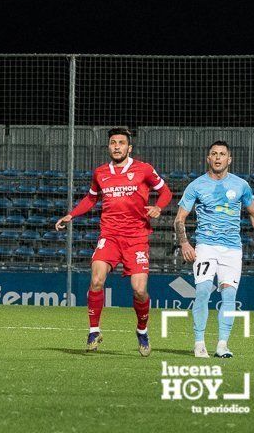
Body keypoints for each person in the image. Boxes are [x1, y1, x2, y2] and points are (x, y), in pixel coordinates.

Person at [55, 127, 172, 356]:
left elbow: (166, 192)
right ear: (108, 147)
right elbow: (91, 198)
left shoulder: (144, 169)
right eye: (112, 142)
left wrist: (159, 207)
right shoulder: (100, 173)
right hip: (109, 235)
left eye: (121, 142)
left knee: (139, 291)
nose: (116, 146)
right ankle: (94, 331)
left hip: (137, 238)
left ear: (130, 147)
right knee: (96, 280)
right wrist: (72, 214)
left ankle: (142, 330)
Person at [174, 141, 254, 358]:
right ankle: (199, 343)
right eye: (214, 154)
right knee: (202, 291)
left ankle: (222, 345)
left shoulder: (241, 185)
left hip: (232, 250)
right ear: (208, 158)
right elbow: (180, 218)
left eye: (222, 154)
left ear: (230, 159)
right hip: (206, 246)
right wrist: (185, 243)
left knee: (228, 295)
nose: (218, 157)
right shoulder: (196, 186)